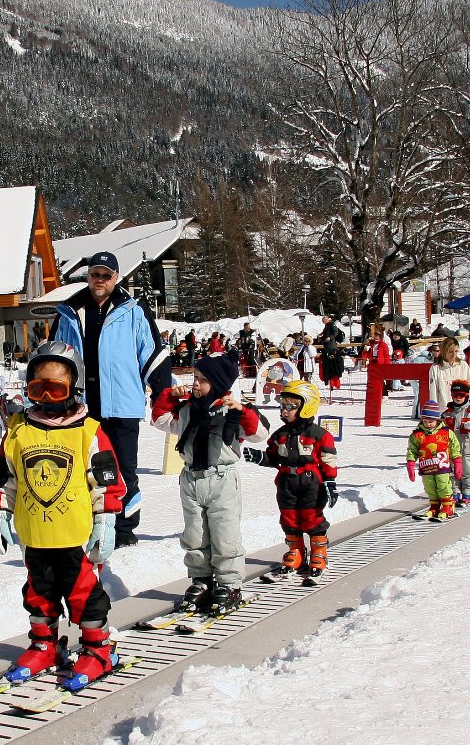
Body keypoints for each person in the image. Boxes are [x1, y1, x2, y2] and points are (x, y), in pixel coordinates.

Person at [0, 342, 125, 691]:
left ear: (73, 390)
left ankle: (98, 648)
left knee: (84, 593)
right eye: (38, 388)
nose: (46, 397)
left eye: (56, 388)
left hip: (76, 536)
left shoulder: (87, 431)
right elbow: (7, 476)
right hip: (34, 533)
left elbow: (106, 480)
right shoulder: (18, 429)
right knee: (38, 591)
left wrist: (106, 520)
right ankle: (45, 645)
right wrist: (1, 511)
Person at [52, 250, 171, 548]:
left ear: (116, 278)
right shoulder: (69, 311)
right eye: (95, 274)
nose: (100, 280)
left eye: (106, 275)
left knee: (123, 470)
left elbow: (154, 356)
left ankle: (125, 529)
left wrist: (162, 396)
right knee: (85, 471)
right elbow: (53, 358)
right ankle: (90, 524)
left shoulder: (133, 311)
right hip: (81, 408)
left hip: (122, 406)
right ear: (88, 276)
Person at [149, 352, 260, 614]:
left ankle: (229, 584)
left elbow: (257, 434)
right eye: (195, 377)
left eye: (203, 380)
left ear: (219, 385)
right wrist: (169, 397)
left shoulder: (230, 411)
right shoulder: (187, 409)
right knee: (195, 534)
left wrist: (241, 411)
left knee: (225, 534)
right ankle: (201, 579)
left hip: (221, 479)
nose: (195, 384)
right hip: (191, 479)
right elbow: (160, 420)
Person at [243, 380, 338, 583]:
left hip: (311, 482)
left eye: (289, 406)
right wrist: (260, 458)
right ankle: (296, 552)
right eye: (282, 406)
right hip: (286, 482)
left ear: (306, 406)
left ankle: (319, 553)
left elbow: (328, 460)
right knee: (289, 518)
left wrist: (330, 482)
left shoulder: (319, 435)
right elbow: (274, 457)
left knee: (311, 517)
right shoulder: (281, 435)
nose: (284, 411)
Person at [406, 400, 462, 522]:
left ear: (437, 420)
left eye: (431, 421)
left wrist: (457, 462)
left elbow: (454, 447)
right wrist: (410, 463)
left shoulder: (446, 432)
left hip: (442, 466)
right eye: (425, 421)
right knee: (430, 487)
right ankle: (435, 505)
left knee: (443, 485)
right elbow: (412, 449)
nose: (428, 424)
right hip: (426, 467)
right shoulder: (417, 435)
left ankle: (448, 506)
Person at [442, 379, 470, 507]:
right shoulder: (448, 412)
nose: (458, 398)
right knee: (453, 470)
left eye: (461, 395)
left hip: (468, 446)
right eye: (455, 395)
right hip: (452, 447)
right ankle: (455, 492)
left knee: (467, 470)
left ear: (466, 396)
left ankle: (468, 492)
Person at [428, 335, 470, 410]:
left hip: (463, 409)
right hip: (444, 410)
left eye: (456, 351)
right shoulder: (436, 368)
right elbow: (433, 392)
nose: (454, 354)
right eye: (451, 351)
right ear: (444, 351)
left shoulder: (463, 365)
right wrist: (434, 409)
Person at [317, 317, 346, 397]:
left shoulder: (332, 324)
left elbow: (335, 332)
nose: (323, 322)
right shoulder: (327, 326)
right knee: (328, 365)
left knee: (332, 364)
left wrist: (330, 338)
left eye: (324, 320)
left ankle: (333, 382)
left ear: (327, 319)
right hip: (327, 347)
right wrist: (321, 336)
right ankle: (330, 382)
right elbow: (325, 333)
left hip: (331, 347)